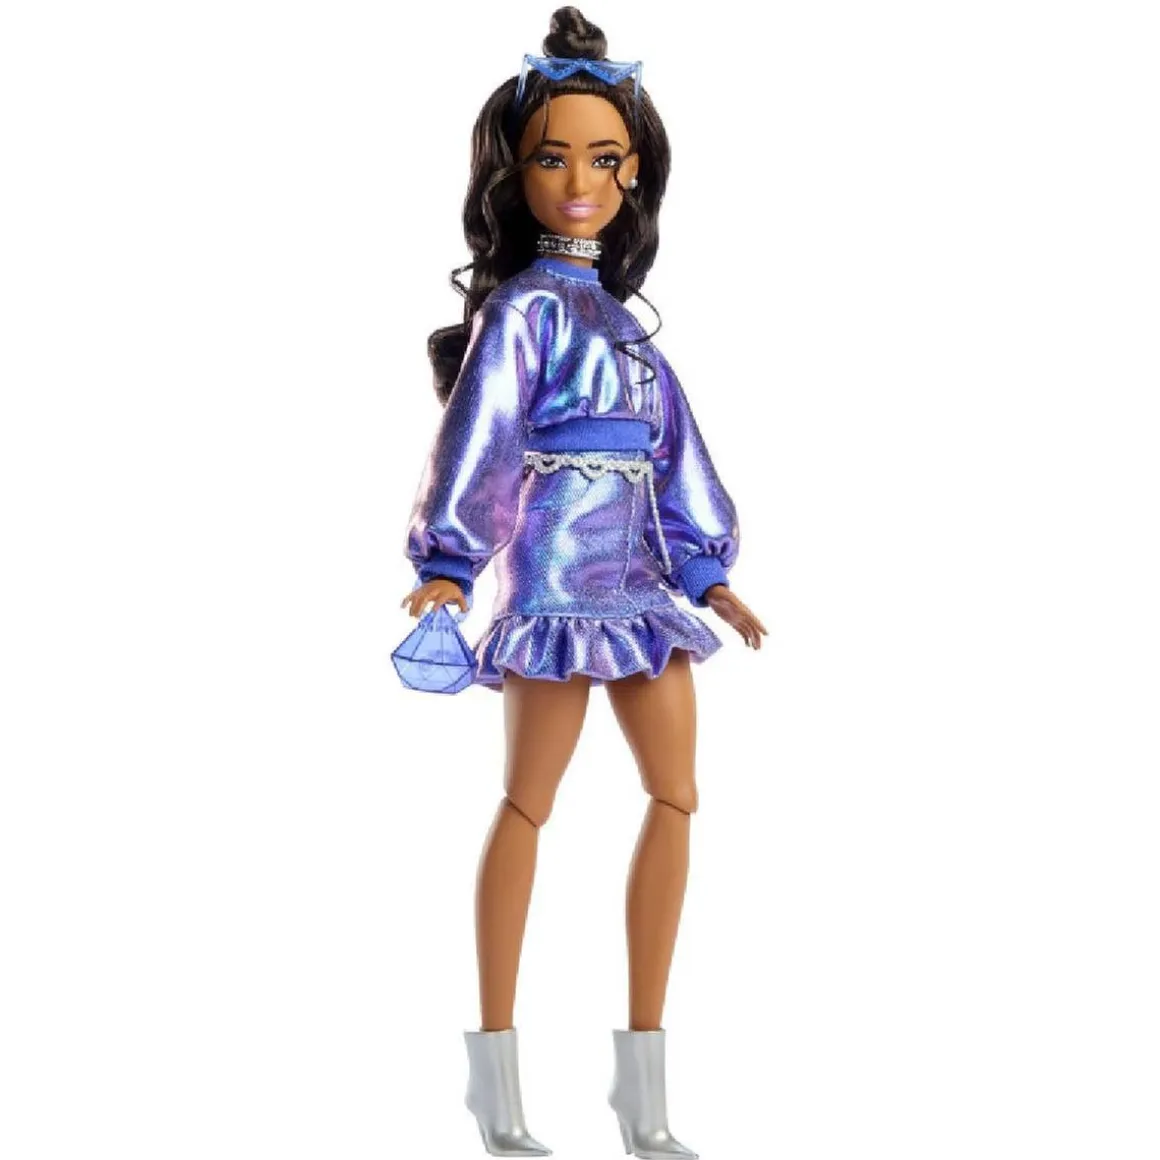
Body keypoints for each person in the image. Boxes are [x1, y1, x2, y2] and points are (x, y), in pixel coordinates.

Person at [400, 8, 767, 1156]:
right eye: (552, 158)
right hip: (554, 582)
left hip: (643, 586)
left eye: (603, 160)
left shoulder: (631, 328)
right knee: (527, 802)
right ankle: (494, 1081)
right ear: (514, 174)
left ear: (633, 173)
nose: (578, 183)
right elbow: (477, 438)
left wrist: (707, 572)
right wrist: (448, 564)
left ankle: (639, 1089)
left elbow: (677, 455)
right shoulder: (520, 312)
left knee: (676, 795)